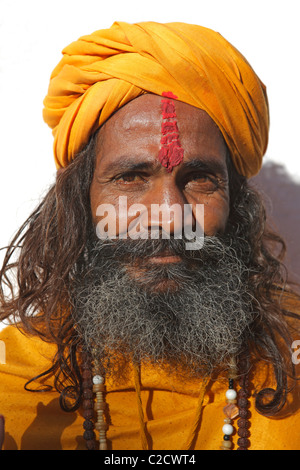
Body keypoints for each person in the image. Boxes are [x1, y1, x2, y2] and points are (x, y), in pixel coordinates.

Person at [0, 21, 299, 451]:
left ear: (238, 202)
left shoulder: (292, 360)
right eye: (131, 177)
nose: (169, 217)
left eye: (199, 179)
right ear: (79, 199)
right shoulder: (14, 380)